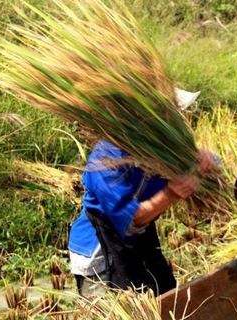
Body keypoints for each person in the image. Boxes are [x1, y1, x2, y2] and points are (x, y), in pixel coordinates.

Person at [68, 89, 217, 297]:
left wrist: (206, 159)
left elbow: (211, 173)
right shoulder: (105, 161)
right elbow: (132, 219)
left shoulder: (161, 150)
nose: (178, 122)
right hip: (100, 255)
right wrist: (170, 194)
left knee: (165, 300)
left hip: (140, 246)